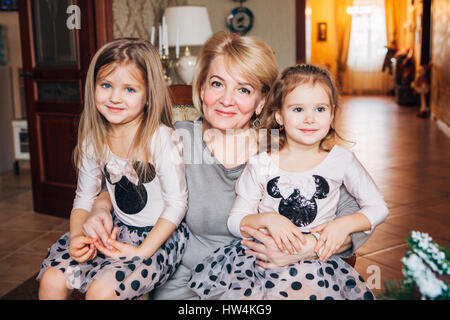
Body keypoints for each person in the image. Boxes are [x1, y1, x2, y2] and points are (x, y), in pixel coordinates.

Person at [83, 32, 372, 300]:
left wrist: (307, 248)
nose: (226, 100)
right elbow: (125, 179)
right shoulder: (177, 139)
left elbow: (353, 212)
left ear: (261, 101)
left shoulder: (282, 148)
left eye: (244, 90)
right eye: (217, 84)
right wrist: (100, 206)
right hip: (183, 281)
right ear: (201, 88)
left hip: (261, 278)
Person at [188, 64, 388, 300]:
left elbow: (378, 208)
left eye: (320, 109)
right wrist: (267, 219)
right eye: (298, 109)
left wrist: (343, 225)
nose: (310, 118)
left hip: (315, 266)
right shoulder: (261, 163)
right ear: (279, 115)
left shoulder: (342, 161)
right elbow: (235, 220)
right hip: (259, 265)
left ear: (332, 114)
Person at [37, 38, 189, 300]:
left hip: (158, 238)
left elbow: (177, 204)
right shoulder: (93, 139)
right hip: (117, 228)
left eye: (129, 89)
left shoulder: (160, 138)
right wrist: (76, 238)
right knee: (52, 279)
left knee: (101, 291)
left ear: (149, 95)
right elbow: (84, 197)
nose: (115, 97)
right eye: (106, 85)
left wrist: (142, 252)